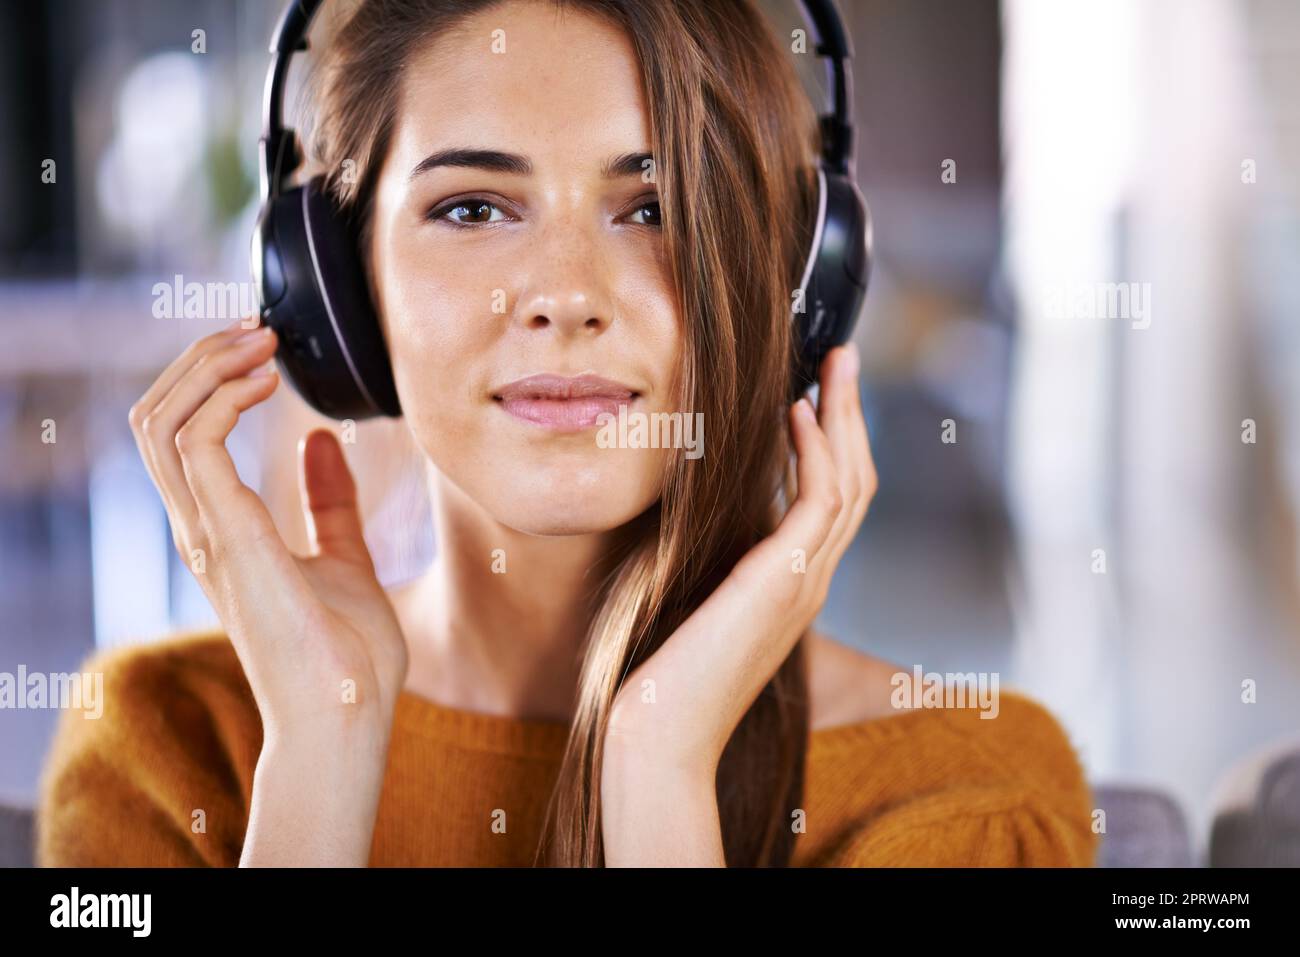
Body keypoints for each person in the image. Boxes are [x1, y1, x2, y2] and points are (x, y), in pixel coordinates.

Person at [36, 0, 1097, 867]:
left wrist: (656, 767)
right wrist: (321, 753)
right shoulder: (163, 747)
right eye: (472, 209)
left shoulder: (966, 794)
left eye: (655, 207)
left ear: (793, 285)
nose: (563, 297)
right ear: (337, 288)